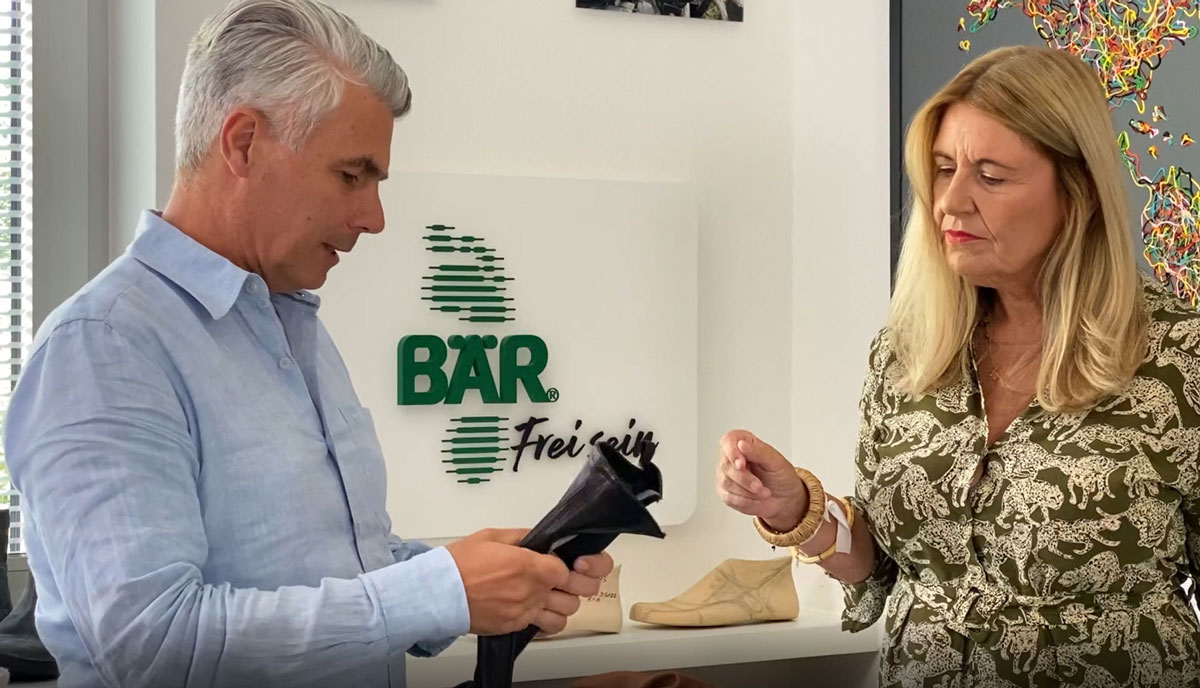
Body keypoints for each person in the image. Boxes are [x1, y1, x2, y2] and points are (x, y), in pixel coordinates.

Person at [3, 1, 611, 686]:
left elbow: (331, 575)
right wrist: (437, 591)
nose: (373, 218)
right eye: (352, 175)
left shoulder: (294, 326)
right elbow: (155, 643)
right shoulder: (105, 348)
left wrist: (469, 573)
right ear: (242, 143)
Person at [717, 45, 1200, 687]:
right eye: (943, 169)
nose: (951, 202)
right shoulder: (907, 353)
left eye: (991, 176)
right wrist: (797, 509)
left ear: (1077, 191)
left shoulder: (1178, 358)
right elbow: (884, 563)